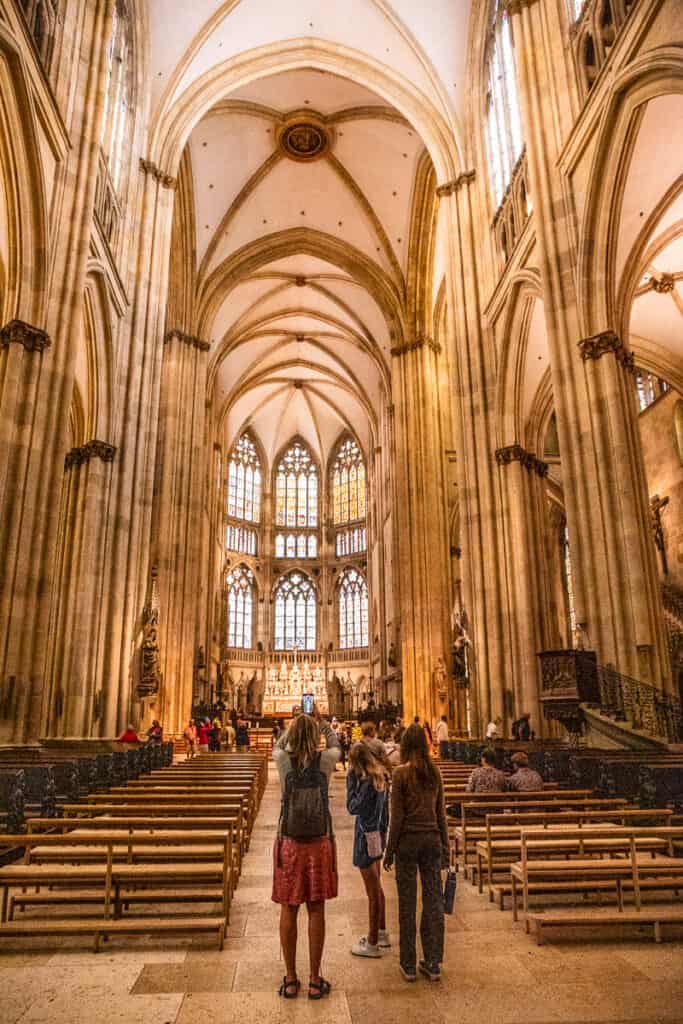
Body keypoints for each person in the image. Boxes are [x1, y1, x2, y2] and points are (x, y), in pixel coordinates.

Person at [272, 708, 340, 1000]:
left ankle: (290, 979)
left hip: (289, 840)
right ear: (315, 737)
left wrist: (294, 725)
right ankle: (314, 979)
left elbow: (277, 746)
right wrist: (321, 725)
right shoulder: (325, 761)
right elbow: (337, 746)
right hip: (319, 840)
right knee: (316, 907)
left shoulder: (282, 760)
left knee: (289, 907)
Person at [384, 723, 449, 983]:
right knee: (434, 902)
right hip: (432, 840)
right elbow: (441, 815)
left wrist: (389, 850)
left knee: (407, 903)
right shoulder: (435, 772)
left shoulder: (400, 773)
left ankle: (409, 964)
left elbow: (396, 817)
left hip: (408, 843)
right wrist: (445, 847)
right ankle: (433, 962)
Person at [346, 743, 390, 958]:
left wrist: (351, 782)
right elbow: (386, 812)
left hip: (365, 835)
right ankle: (381, 931)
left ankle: (372, 942)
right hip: (378, 834)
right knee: (377, 886)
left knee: (372, 891)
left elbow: (353, 807)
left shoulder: (365, 783)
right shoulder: (380, 778)